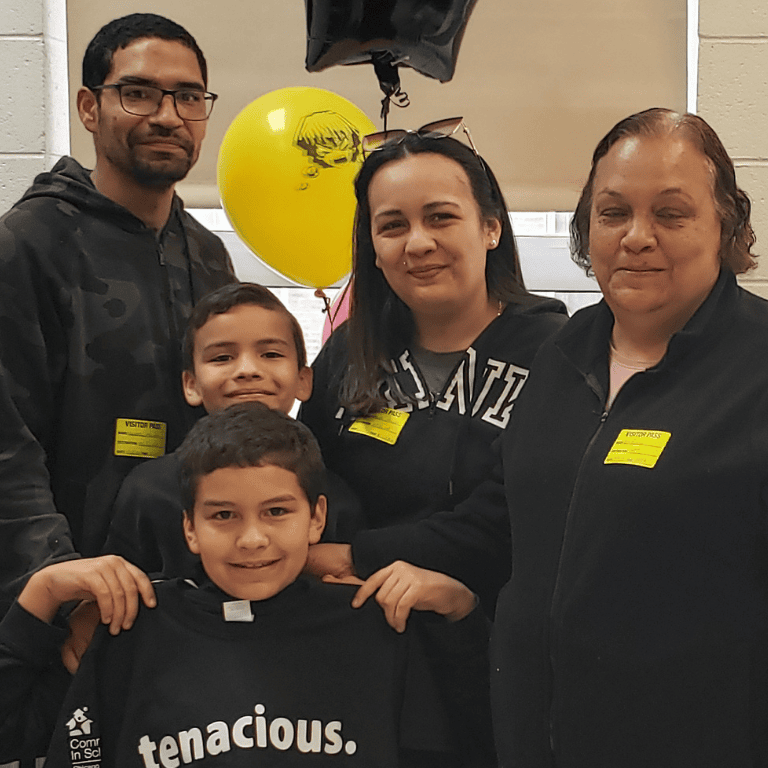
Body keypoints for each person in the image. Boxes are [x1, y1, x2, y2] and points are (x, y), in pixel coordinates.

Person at [490, 107, 768, 767]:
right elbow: (519, 520)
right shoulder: (559, 354)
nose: (637, 237)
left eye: (671, 214)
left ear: (724, 222)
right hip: (537, 737)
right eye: (613, 213)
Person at [0, 404, 489, 766]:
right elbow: (16, 735)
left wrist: (462, 610)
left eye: (277, 511)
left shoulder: (377, 625)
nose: (252, 539)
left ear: (316, 518)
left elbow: (479, 740)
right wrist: (41, 593)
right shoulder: (129, 626)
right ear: (189, 527)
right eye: (223, 516)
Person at [0, 13, 236, 616]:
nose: (167, 115)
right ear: (88, 107)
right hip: (70, 598)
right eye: (138, 93)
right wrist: (57, 582)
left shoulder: (207, 256)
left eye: (188, 97)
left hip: (190, 596)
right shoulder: (29, 244)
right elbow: (9, 443)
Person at [299, 118, 567, 612]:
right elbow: (303, 483)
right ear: (374, 250)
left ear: (490, 229)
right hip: (354, 631)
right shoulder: (347, 354)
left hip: (488, 641)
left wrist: (356, 556)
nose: (417, 243)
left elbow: (518, 519)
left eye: (440, 217)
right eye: (393, 225)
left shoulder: (558, 355)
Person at [104, 282, 361, 580]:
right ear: (191, 385)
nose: (248, 370)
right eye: (222, 358)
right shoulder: (147, 491)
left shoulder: (334, 496)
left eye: (271, 354)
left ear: (303, 380)